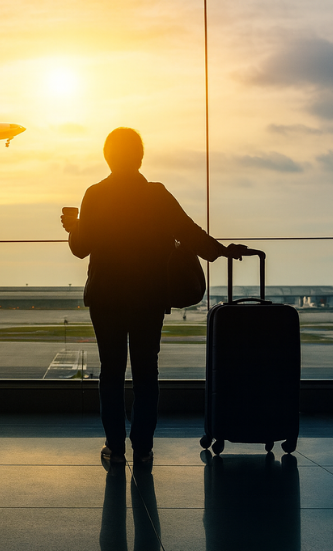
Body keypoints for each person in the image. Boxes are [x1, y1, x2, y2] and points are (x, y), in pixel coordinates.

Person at [61, 127, 246, 465]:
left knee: (111, 373)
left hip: (107, 298)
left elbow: (80, 249)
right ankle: (143, 447)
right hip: (148, 297)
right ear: (140, 157)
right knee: (147, 374)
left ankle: (115, 448)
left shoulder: (96, 195)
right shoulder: (157, 195)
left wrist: (73, 226)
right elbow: (190, 233)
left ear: (107, 157)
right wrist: (222, 250)